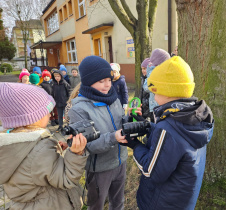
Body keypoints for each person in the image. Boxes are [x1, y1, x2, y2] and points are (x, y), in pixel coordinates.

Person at [126, 56, 214, 210]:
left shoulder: (168, 127)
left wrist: (133, 144)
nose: (153, 96)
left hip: (161, 203)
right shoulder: (194, 116)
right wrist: (148, 127)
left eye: (154, 91)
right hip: (181, 200)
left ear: (167, 92)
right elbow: (175, 144)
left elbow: (151, 171)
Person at [0, 82, 88, 210]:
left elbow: (34, 169)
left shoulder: (13, 144)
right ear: (31, 117)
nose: (50, 115)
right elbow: (65, 179)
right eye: (46, 111)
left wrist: (54, 152)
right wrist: (76, 154)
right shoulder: (40, 149)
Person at [68, 56, 128, 210]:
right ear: (88, 81)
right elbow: (90, 145)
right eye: (101, 81)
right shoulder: (79, 109)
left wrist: (132, 119)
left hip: (120, 161)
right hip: (99, 169)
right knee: (97, 205)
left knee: (118, 202)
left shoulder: (113, 99)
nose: (107, 85)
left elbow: (121, 121)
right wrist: (114, 137)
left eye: (109, 79)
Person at [143, 48, 170, 121]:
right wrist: (148, 76)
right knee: (158, 124)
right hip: (156, 105)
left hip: (159, 104)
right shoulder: (154, 72)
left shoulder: (160, 71)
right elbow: (147, 87)